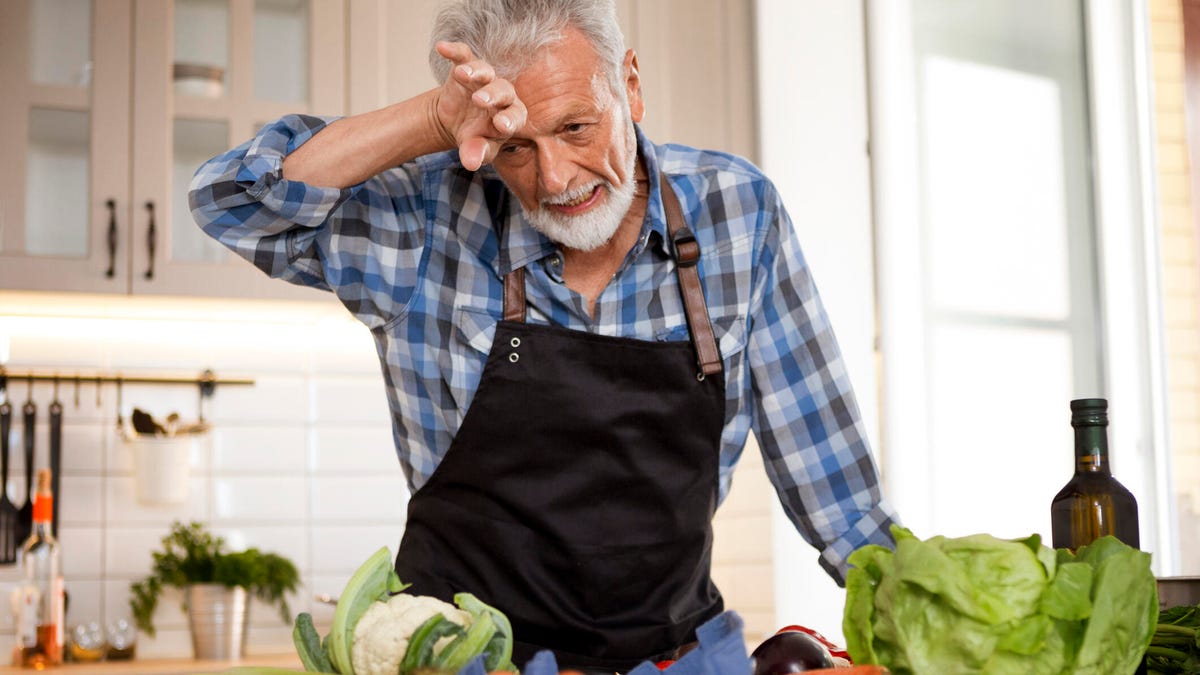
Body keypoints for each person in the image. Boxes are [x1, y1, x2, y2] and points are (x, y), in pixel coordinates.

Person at [189, 0, 899, 670]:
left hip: (671, 660)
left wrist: (939, 625)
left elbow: (840, 500)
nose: (554, 177)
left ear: (630, 85)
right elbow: (232, 202)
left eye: (575, 128)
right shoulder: (424, 222)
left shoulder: (737, 214)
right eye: (514, 146)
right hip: (466, 664)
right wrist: (434, 118)